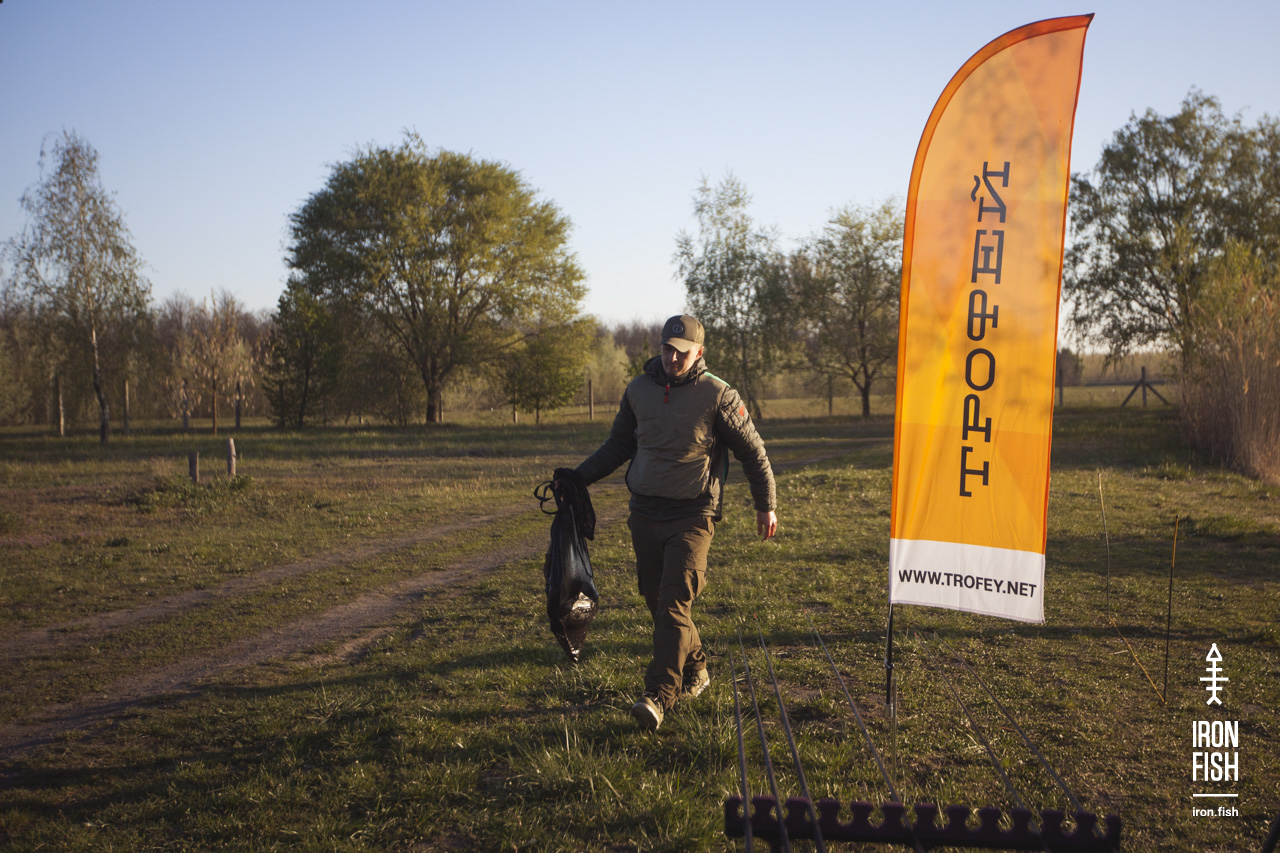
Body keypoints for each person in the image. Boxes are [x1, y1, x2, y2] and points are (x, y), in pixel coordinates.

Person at [567, 314, 777, 731]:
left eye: (682, 352)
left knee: (673, 603)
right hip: (645, 512)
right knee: (657, 601)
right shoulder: (638, 390)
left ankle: (659, 696)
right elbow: (618, 445)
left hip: (693, 515)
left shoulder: (718, 394)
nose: (672, 358)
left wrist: (765, 504)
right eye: (667, 349)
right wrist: (577, 479)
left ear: (699, 352)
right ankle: (696, 667)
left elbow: (753, 451)